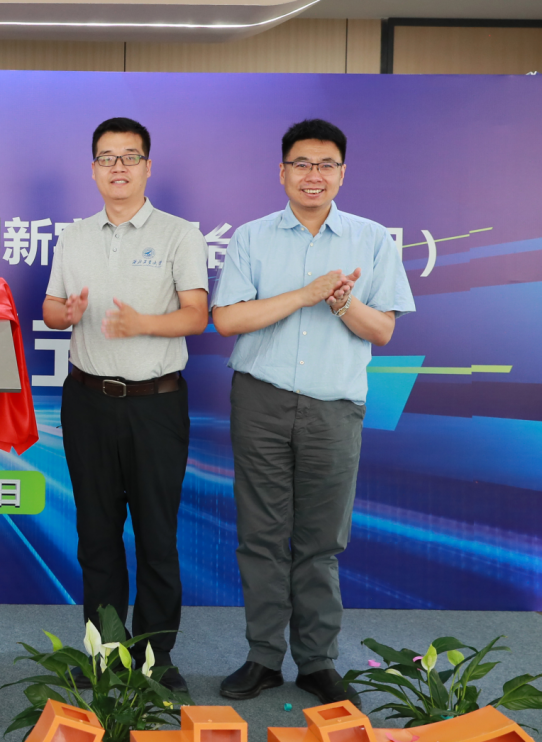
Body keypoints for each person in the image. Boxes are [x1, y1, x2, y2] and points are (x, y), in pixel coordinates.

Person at [212, 119, 415, 706]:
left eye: (326, 165)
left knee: (321, 541)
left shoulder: (372, 239)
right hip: (261, 400)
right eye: (301, 164)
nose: (313, 175)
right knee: (260, 536)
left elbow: (383, 330)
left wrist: (344, 302)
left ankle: (317, 661)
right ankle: (262, 657)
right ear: (282, 172)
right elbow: (228, 319)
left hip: (335, 407)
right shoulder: (252, 237)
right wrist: (305, 293)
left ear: (342, 174)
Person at [42, 117, 209, 692]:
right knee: (97, 535)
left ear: (147, 167)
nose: (118, 167)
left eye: (129, 157)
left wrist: (144, 324)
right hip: (87, 401)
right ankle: (106, 652)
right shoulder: (74, 236)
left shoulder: (179, 234)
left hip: (155, 404)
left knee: (157, 536)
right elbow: (52, 308)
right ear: (93, 169)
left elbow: (197, 315)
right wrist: (65, 314)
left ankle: (156, 656)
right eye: (107, 158)